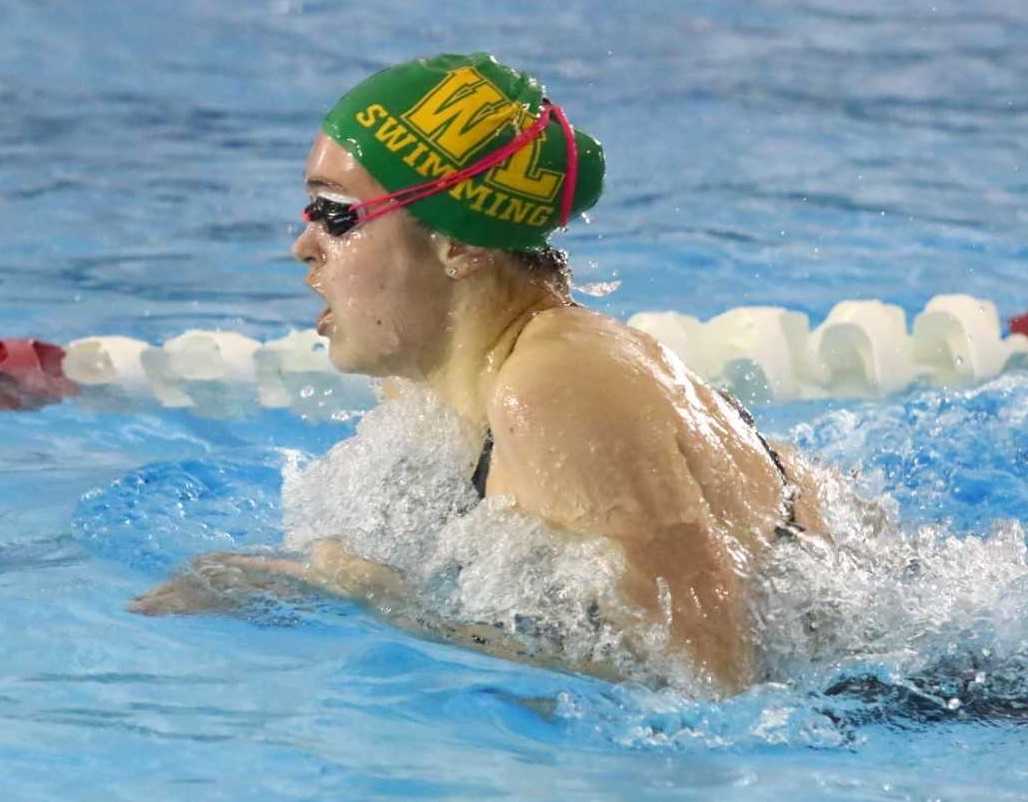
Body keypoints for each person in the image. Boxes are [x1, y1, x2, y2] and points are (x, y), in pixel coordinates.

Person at [131, 52, 827, 696]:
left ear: (458, 243)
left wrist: (380, 604)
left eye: (336, 215)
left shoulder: (562, 383)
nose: (303, 247)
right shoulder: (449, 391)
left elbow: (709, 687)